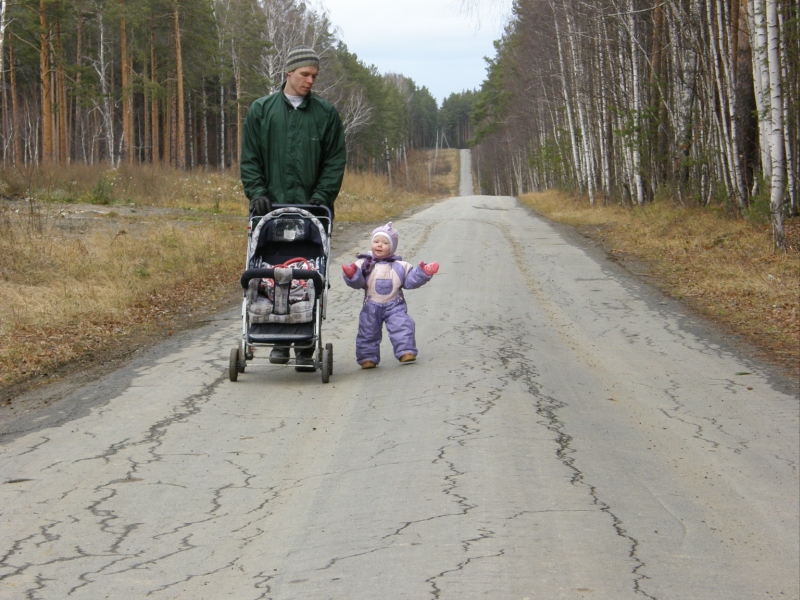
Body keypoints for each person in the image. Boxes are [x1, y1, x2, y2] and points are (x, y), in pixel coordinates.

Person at [240, 45, 346, 370]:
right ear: (288, 72)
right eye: (304, 74)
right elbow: (250, 158)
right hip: (270, 209)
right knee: (270, 272)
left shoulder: (325, 115)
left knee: (308, 273)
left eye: (314, 75)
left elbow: (335, 161)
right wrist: (257, 192)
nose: (310, 80)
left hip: (313, 210)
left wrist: (323, 195)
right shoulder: (262, 111)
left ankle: (304, 344)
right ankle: (277, 339)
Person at [341, 223, 439, 369]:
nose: (379, 245)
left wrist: (423, 273)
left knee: (402, 325)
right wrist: (352, 274)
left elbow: (409, 281)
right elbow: (358, 283)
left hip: (395, 304)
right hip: (371, 305)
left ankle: (405, 351)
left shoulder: (400, 266)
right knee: (368, 331)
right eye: (376, 241)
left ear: (392, 247)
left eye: (385, 243)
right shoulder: (364, 264)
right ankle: (367, 358)